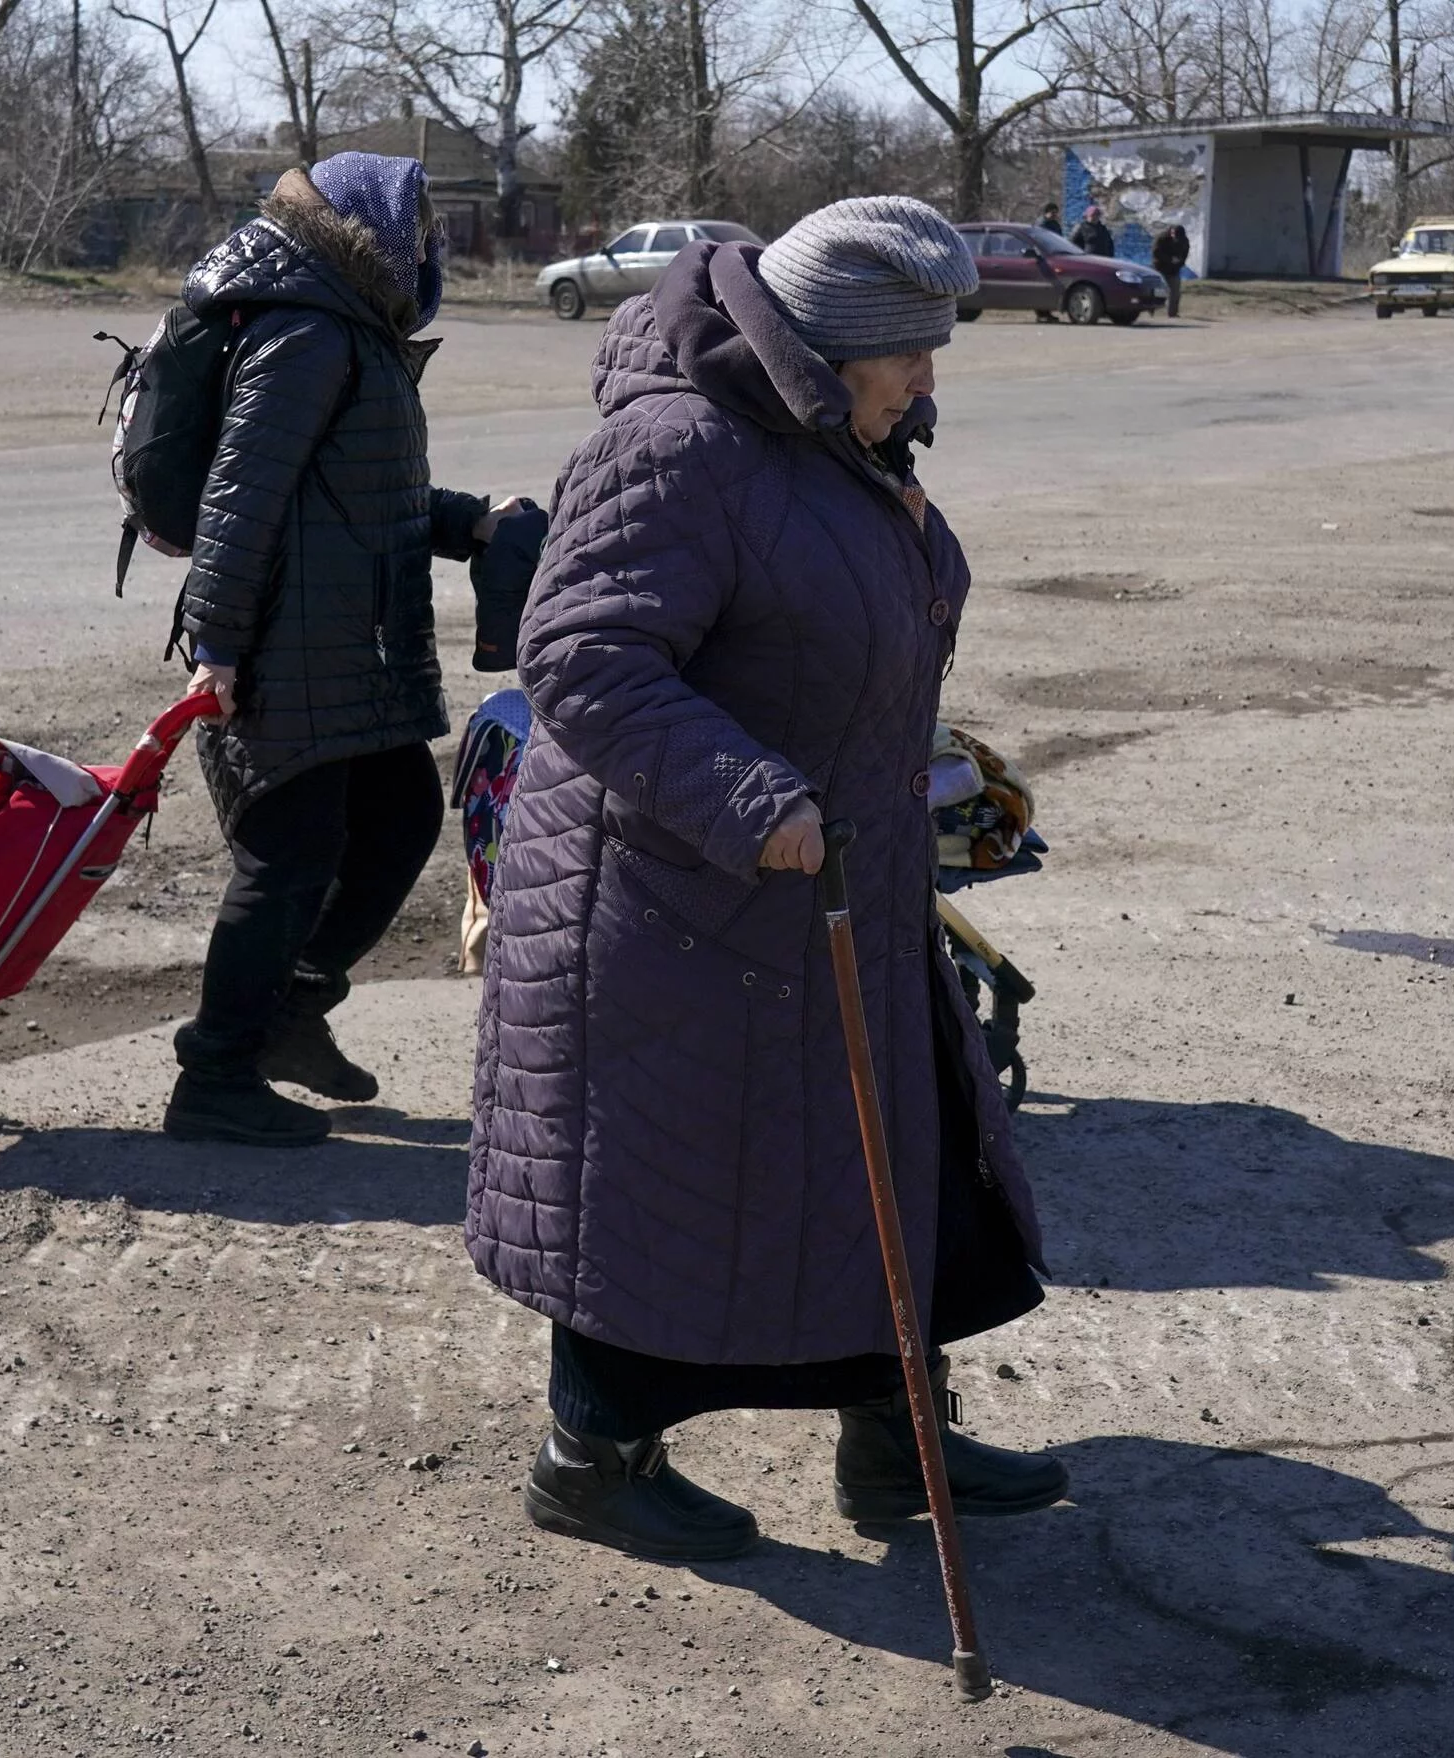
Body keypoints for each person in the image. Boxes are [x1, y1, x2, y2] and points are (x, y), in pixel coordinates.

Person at [468, 196, 1070, 1560]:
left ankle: (896, 1440)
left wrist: (909, 525)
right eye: (909, 356)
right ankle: (591, 1461)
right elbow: (581, 657)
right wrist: (752, 794)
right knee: (658, 1186)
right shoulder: (678, 445)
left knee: (887, 1162)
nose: (928, 382)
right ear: (837, 342)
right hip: (682, 898)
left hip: (836, 874)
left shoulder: (831, 437)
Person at [164, 152, 518, 1148]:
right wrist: (218, 647)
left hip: (347, 651)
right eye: (425, 231)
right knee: (289, 861)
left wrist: (473, 523)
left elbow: (362, 490)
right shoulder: (308, 331)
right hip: (284, 650)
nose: (434, 250)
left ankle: (290, 1014)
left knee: (401, 817)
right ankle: (214, 1076)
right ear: (377, 236)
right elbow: (241, 500)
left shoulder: (347, 327)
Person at [1153, 221, 1190, 317]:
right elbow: (1156, 252)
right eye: (1175, 237)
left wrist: (1179, 262)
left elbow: (1185, 254)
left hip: (1174, 269)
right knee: (1155, 290)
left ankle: (1173, 313)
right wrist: (1169, 259)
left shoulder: (1184, 241)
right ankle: (1151, 310)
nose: (1176, 240)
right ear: (1171, 232)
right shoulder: (1161, 238)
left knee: (1175, 292)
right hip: (1160, 267)